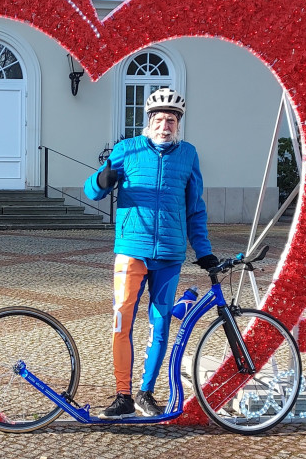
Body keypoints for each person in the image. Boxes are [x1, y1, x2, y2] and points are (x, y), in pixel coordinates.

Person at [84, 87, 218, 418]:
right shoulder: (127, 149)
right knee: (122, 320)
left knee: (160, 325)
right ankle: (122, 395)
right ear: (149, 121)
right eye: (159, 119)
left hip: (170, 254)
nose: (164, 126)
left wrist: (203, 250)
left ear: (178, 124)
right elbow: (92, 191)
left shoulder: (188, 154)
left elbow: (195, 208)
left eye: (171, 120)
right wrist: (102, 180)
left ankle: (145, 393)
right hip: (132, 250)